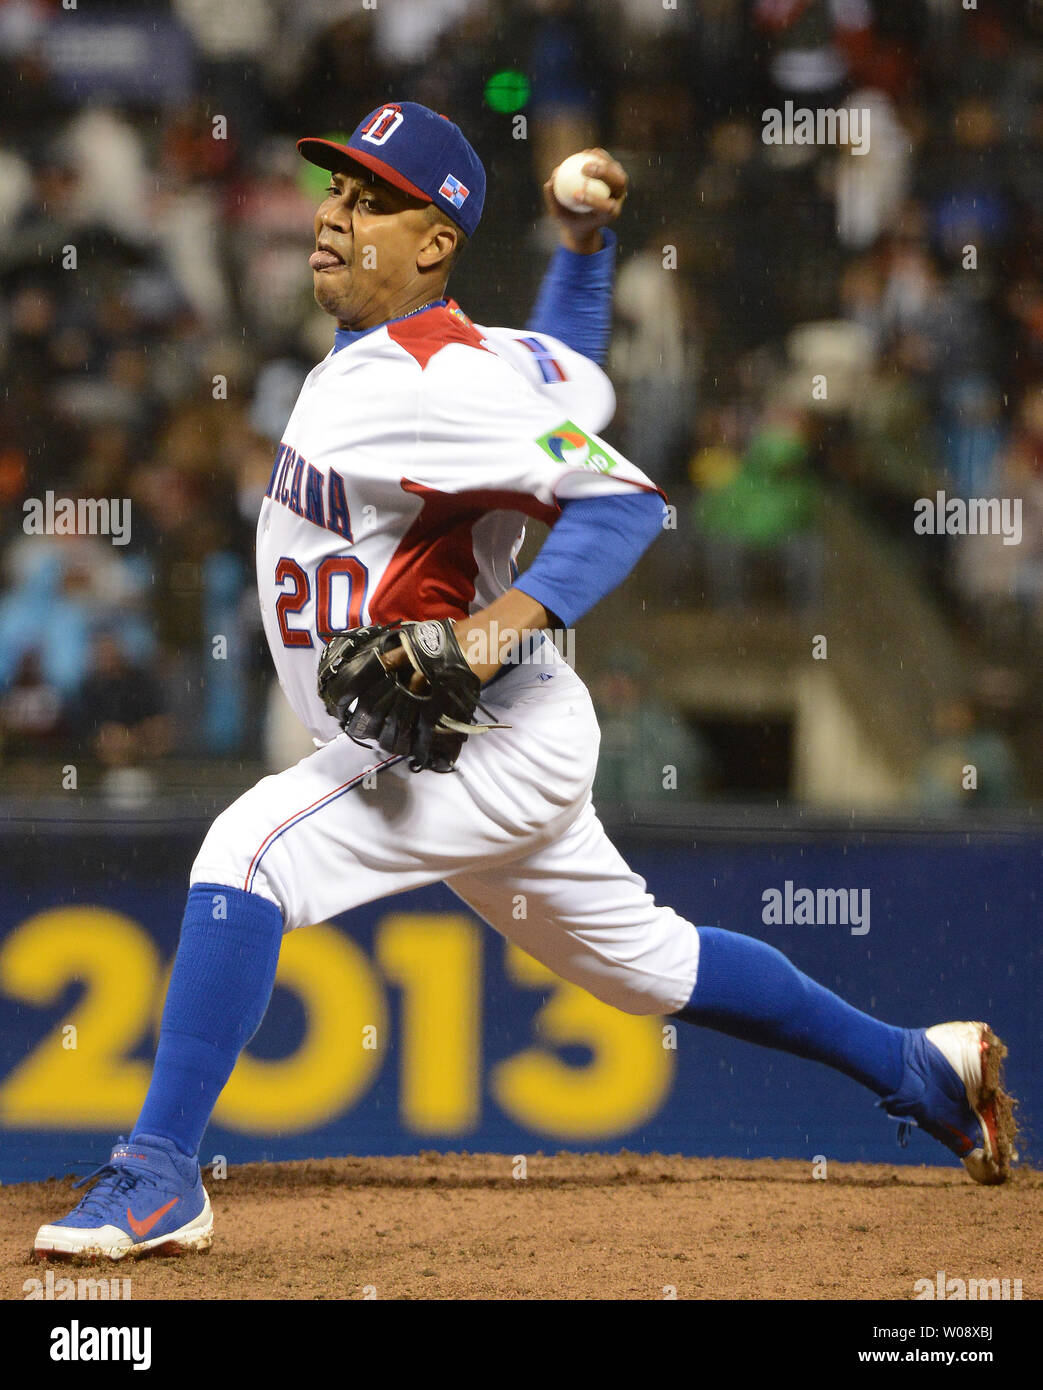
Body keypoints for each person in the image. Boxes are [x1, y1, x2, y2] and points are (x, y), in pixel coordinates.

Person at [34, 102, 1016, 1263]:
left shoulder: (433, 378)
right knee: (647, 962)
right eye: (334, 192)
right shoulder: (479, 360)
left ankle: (157, 1174)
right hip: (490, 733)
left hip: (475, 736)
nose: (332, 218)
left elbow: (626, 499)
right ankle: (919, 1066)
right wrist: (584, 253)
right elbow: (568, 385)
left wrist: (493, 627)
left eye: (370, 202)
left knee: (248, 850)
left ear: (435, 241)